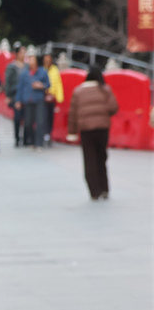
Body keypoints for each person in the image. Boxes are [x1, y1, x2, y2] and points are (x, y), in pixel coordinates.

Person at [67, 65, 118, 201]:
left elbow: (72, 113)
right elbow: (114, 107)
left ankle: (94, 192)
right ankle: (104, 189)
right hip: (102, 129)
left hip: (86, 130)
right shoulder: (105, 89)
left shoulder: (78, 91)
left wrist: (71, 132)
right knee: (101, 158)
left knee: (89, 160)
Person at [15, 54, 50, 151]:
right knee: (28, 122)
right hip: (28, 99)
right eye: (29, 59)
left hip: (39, 99)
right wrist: (18, 100)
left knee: (40, 121)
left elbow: (48, 84)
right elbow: (20, 87)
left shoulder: (42, 71)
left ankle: (39, 143)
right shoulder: (24, 73)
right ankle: (32, 140)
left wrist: (41, 85)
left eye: (32, 59)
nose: (30, 61)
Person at [4, 45, 26, 147]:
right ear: (17, 54)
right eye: (22, 52)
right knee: (17, 117)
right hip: (15, 95)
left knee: (26, 117)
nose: (24, 54)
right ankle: (17, 138)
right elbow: (8, 82)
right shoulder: (11, 67)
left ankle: (26, 138)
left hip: (26, 95)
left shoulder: (26, 66)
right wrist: (8, 95)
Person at [43, 53, 64, 147]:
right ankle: (42, 134)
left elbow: (58, 83)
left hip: (52, 97)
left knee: (50, 117)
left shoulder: (54, 69)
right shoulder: (41, 69)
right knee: (42, 117)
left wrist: (59, 97)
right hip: (42, 96)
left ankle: (48, 134)